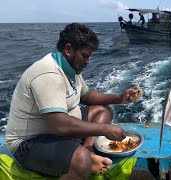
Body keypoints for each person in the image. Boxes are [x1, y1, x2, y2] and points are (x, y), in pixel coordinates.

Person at [5, 23, 141, 179]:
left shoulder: (70, 68)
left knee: (103, 110)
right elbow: (59, 125)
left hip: (56, 133)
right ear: (68, 49)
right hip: (29, 142)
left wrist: (119, 98)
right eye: (85, 55)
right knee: (81, 161)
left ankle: (89, 152)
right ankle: (85, 160)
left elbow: (87, 96)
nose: (88, 61)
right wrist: (104, 129)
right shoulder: (49, 74)